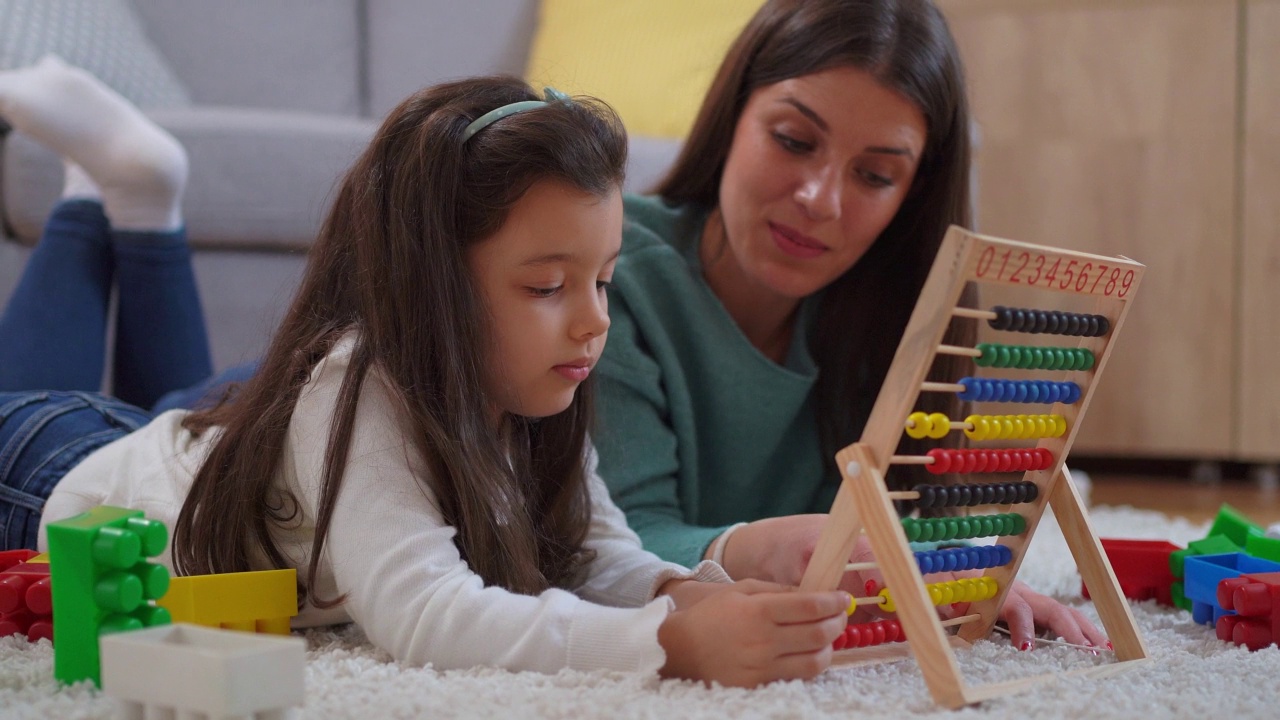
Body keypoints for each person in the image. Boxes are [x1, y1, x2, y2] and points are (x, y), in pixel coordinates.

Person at [0, 58, 853, 686]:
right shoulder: (360, 382)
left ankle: (120, 201)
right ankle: (118, 201)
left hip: (166, 450)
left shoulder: (535, 384)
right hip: (47, 484)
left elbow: (594, 554)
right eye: (548, 286)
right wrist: (664, 645)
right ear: (431, 284)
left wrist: (681, 593)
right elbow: (425, 615)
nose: (595, 319)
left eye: (602, 278)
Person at [592, 0, 1109, 652]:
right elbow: (605, 539)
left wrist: (951, 576)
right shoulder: (604, 275)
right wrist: (765, 547)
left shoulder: (894, 314)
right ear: (732, 118)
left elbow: (908, 521)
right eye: (793, 140)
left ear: (910, 194)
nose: (821, 199)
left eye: (874, 174)